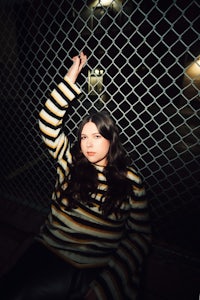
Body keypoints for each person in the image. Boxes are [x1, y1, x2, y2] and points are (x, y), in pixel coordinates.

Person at [0, 52, 151, 300]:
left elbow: (140, 236)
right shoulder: (68, 163)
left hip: (95, 266)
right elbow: (47, 122)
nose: (88, 144)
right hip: (52, 252)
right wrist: (72, 75)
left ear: (111, 140)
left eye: (97, 136)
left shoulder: (131, 181)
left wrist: (105, 286)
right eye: (83, 137)